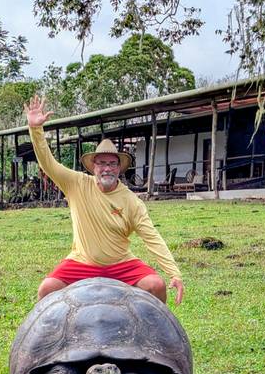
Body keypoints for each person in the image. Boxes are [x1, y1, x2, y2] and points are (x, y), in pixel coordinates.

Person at [25, 96, 184, 304]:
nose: (106, 168)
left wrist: (174, 273)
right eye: (101, 163)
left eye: (112, 163)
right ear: (94, 167)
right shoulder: (77, 184)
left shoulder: (131, 201)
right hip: (82, 262)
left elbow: (151, 237)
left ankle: (158, 337)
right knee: (47, 289)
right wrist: (36, 130)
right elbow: (48, 164)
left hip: (120, 264)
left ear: (119, 168)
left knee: (156, 286)